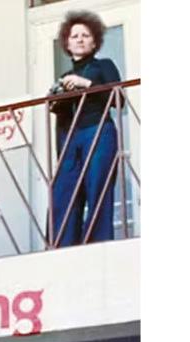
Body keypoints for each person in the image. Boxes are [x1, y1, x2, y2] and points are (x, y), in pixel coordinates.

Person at [50, 10, 121, 247]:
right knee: (64, 190)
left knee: (98, 185)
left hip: (98, 131)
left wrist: (86, 84)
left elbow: (118, 99)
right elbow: (59, 114)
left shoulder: (103, 66)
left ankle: (98, 243)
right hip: (70, 137)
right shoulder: (65, 76)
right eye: (74, 36)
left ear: (94, 42)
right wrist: (57, 98)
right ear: (67, 43)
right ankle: (64, 245)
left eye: (85, 35)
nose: (80, 39)